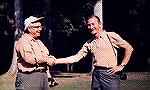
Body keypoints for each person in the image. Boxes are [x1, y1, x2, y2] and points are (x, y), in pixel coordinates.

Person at [56, 15, 134, 90]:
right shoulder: (89, 43)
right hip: (96, 74)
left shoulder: (110, 36)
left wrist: (122, 65)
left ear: (99, 24)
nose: (91, 27)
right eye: (89, 25)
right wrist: (56, 61)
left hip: (110, 74)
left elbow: (129, 48)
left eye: (93, 24)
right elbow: (76, 58)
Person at [15, 16, 56, 90]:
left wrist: (48, 75)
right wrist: (47, 59)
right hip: (28, 77)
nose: (40, 29)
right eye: (37, 27)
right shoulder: (23, 41)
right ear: (29, 29)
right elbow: (29, 58)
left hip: (43, 76)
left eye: (40, 26)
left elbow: (45, 58)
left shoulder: (39, 42)